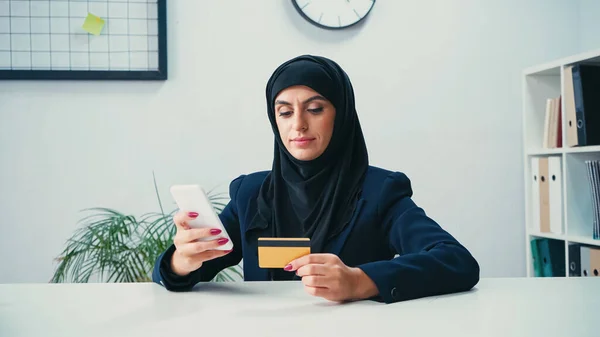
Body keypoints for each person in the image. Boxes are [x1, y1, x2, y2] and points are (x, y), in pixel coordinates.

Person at [152, 54, 480, 304]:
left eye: (315, 109)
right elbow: (176, 276)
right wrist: (183, 259)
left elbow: (456, 261)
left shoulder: (380, 191)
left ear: (342, 114)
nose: (298, 125)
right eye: (285, 112)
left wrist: (360, 280)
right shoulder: (250, 194)